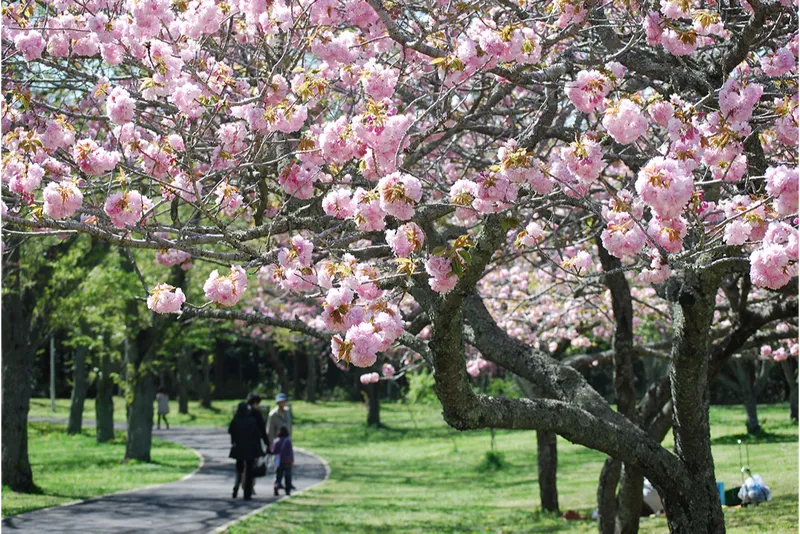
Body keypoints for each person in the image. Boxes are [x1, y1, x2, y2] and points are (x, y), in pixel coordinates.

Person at [228, 401, 261, 500]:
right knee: (249, 471)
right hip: (250, 449)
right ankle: (247, 493)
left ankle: (236, 487)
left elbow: (231, 431)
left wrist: (234, 442)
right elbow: (257, 435)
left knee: (239, 469)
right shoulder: (251, 420)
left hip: (239, 449)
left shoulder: (236, 420)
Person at [271, 425, 294, 496]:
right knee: (288, 476)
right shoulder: (288, 441)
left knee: (278, 476)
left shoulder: (276, 441)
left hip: (278, 461)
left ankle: (276, 486)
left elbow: (273, 451)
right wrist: (292, 460)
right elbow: (291, 452)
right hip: (287, 461)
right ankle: (287, 490)